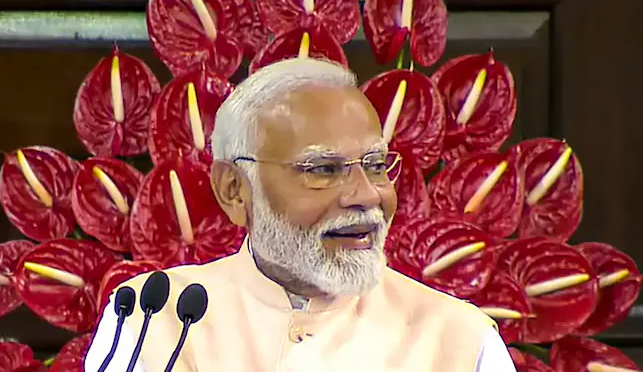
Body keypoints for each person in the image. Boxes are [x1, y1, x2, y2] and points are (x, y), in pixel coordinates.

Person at [84, 58, 517, 372]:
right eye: (324, 170)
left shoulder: (457, 336)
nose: (366, 195)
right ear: (234, 190)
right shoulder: (151, 315)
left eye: (375, 165)